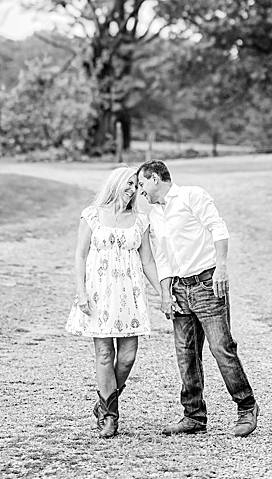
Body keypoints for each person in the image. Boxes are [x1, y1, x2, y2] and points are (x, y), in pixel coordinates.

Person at [136, 159, 259, 437]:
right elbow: (163, 259)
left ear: (155, 178)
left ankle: (246, 406)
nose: (140, 191)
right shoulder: (155, 215)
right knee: (186, 354)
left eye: (142, 183)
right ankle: (193, 416)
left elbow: (218, 228)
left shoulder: (192, 195)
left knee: (221, 348)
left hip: (206, 284)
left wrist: (222, 267)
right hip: (180, 290)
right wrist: (165, 293)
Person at [65, 164, 165, 438]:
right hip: (99, 294)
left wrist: (163, 293)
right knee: (105, 354)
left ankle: (104, 402)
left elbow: (147, 261)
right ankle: (110, 416)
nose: (133, 189)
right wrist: (81, 292)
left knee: (128, 356)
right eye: (129, 184)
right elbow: (80, 255)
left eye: (136, 185)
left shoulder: (140, 220)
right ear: (116, 183)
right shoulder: (92, 216)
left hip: (130, 295)